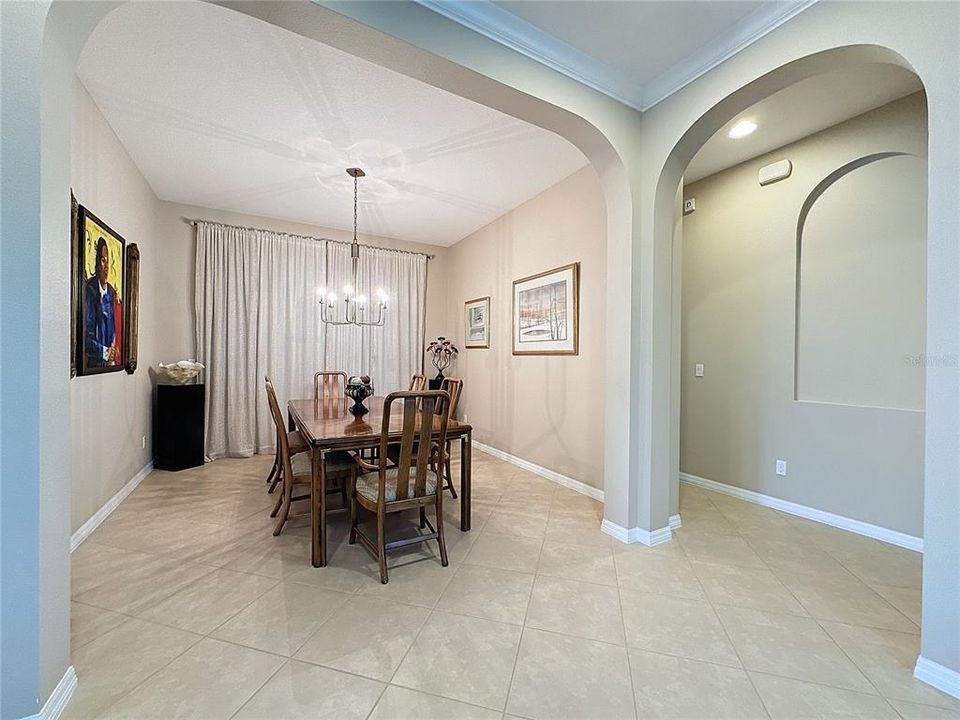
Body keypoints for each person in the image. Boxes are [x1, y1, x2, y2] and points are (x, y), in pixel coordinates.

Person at [84, 236, 122, 367]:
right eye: (102, 261)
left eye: (107, 261)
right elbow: (83, 337)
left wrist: (114, 350)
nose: (106, 267)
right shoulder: (89, 291)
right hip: (95, 364)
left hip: (110, 364)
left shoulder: (112, 293)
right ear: (96, 263)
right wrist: (105, 352)